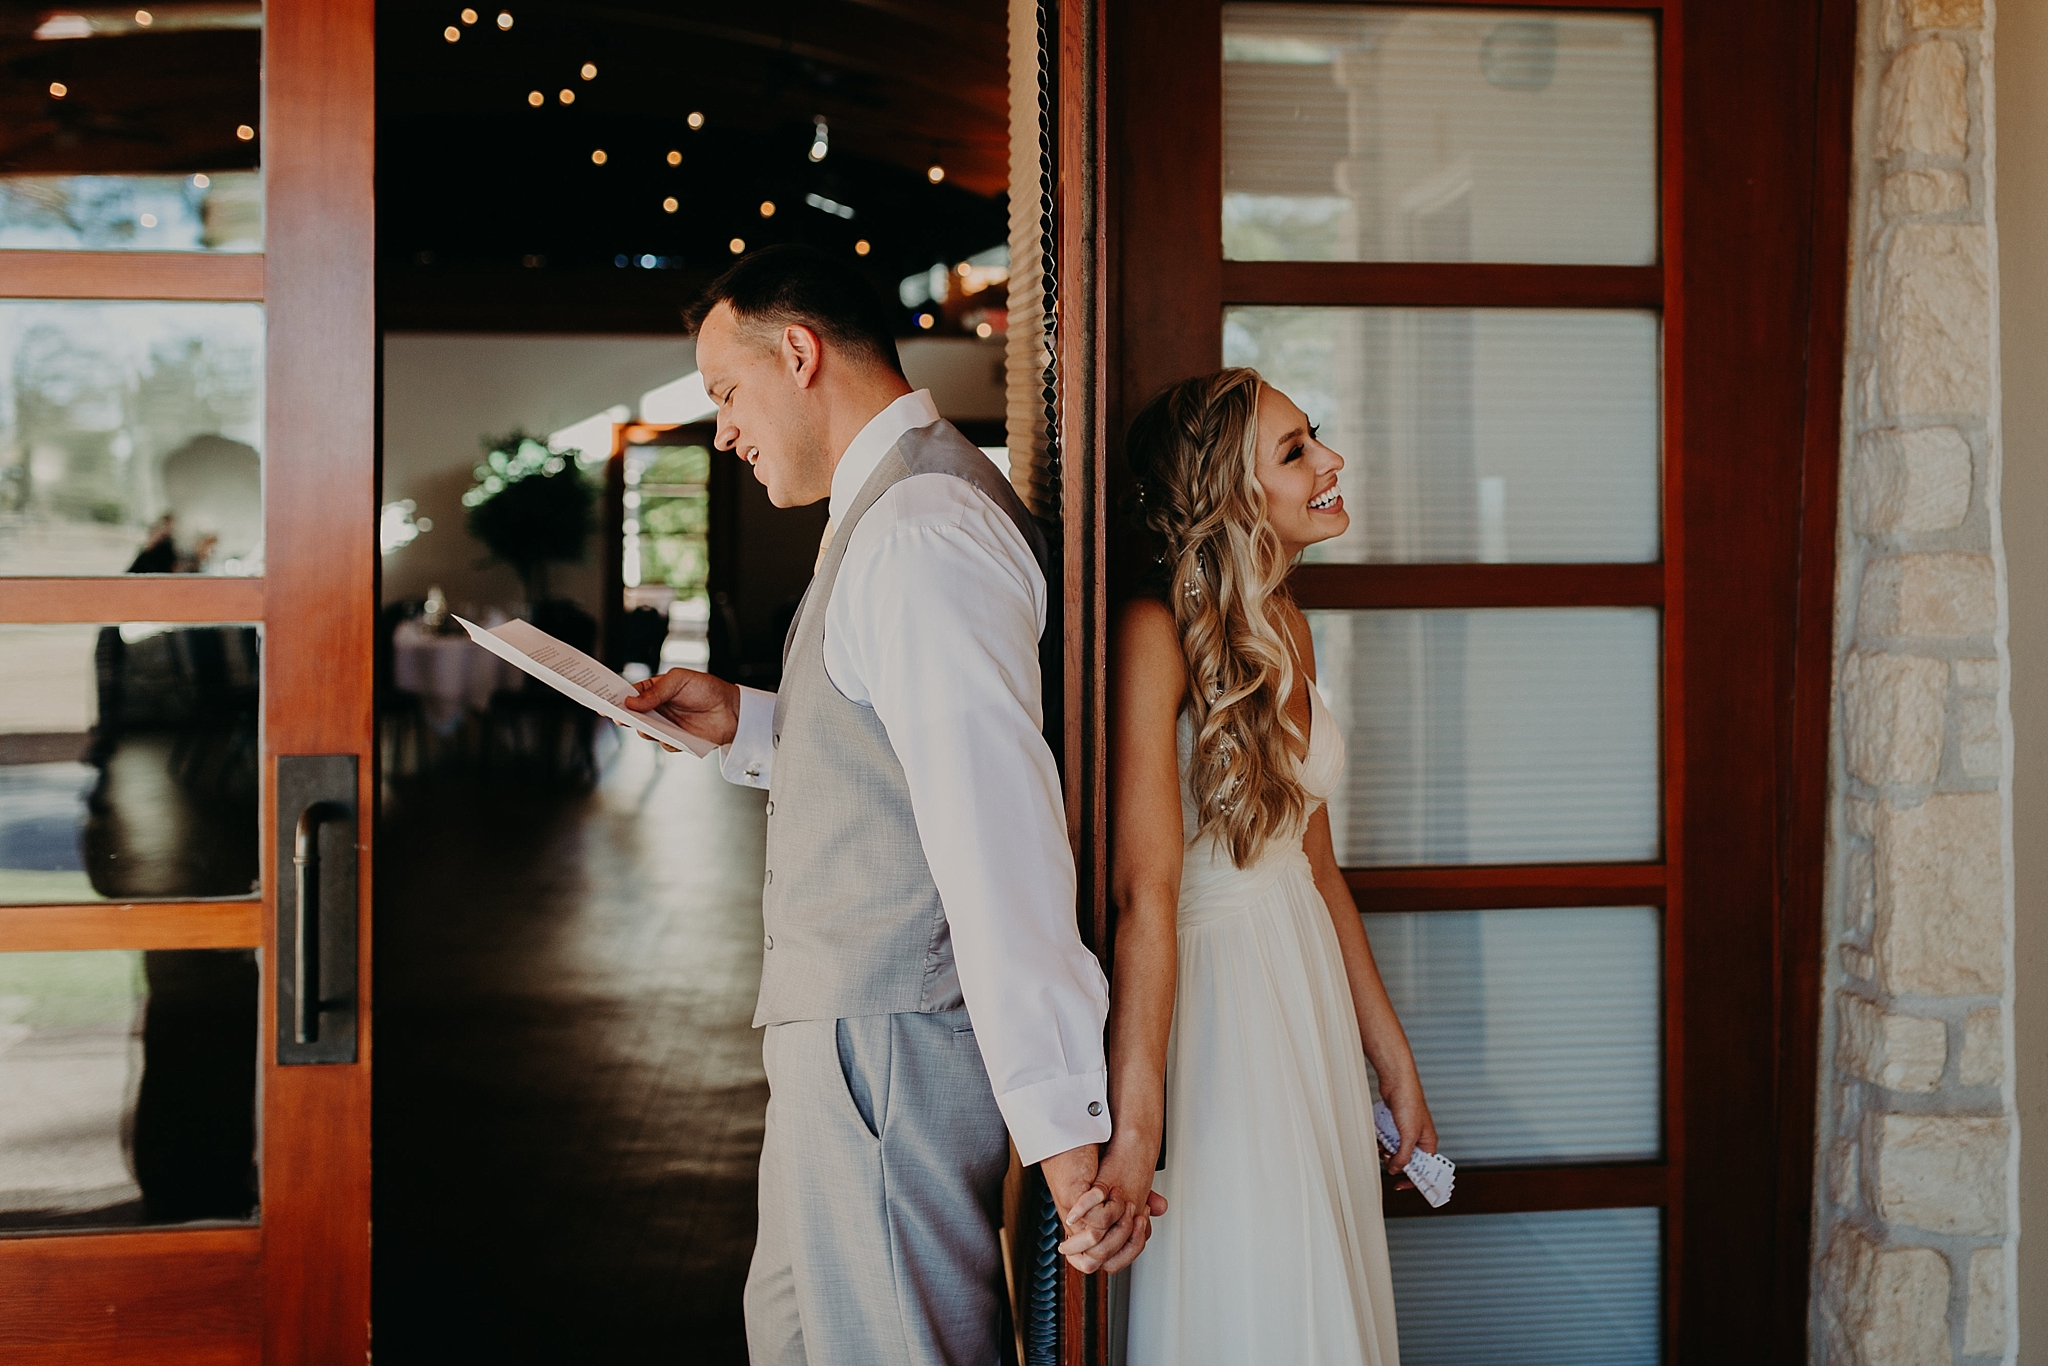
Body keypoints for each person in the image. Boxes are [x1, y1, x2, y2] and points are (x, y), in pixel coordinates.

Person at [622, 245, 1139, 1365]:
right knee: (800, 1335)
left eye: (726, 393)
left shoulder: (918, 529)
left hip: (887, 1032)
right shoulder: (894, 509)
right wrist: (749, 723)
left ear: (796, 352)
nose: (723, 430)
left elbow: (994, 830)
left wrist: (1060, 1124)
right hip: (847, 1026)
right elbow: (892, 755)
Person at [1065, 368, 1437, 1364]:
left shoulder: (1289, 623)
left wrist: (1388, 1054)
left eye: (1311, 438)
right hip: (1221, 1008)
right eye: (1294, 451)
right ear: (1234, 495)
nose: (1330, 461)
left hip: (1305, 981)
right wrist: (1136, 1127)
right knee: (1258, 1286)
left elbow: (1316, 867)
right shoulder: (1154, 638)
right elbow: (1142, 895)